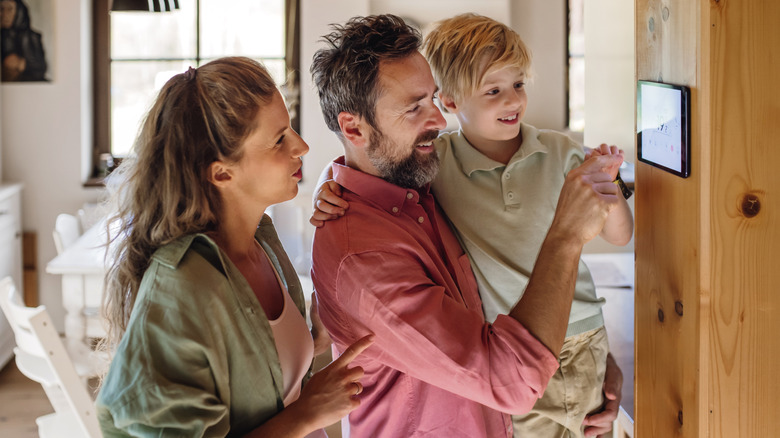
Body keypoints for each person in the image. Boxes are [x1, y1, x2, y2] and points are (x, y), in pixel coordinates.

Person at [315, 14, 633, 437]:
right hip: (511, 378)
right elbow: (512, 378)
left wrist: (592, 348)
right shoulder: (370, 249)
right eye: (415, 106)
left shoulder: (416, 178)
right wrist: (567, 235)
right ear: (353, 127)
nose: (438, 120)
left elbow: (362, 165)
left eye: (430, 99)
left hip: (566, 353)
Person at [96, 56, 373, 437]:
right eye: (279, 139)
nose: (302, 146)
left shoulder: (262, 241)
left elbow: (267, 377)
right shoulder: (179, 290)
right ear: (222, 172)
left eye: (290, 128)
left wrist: (318, 334)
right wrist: (307, 414)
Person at [0, 0, 47, 81]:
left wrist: (21, 63)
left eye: (9, 9)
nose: (4, 14)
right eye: (1, 9)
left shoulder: (31, 36)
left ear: (19, 12)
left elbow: (40, 67)